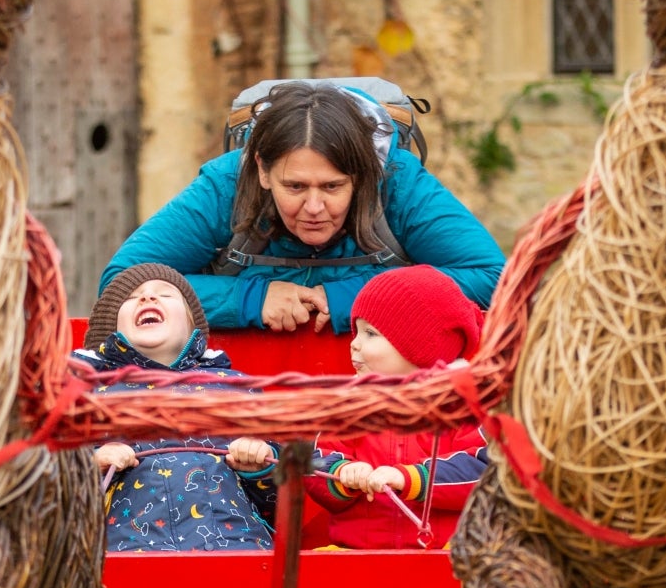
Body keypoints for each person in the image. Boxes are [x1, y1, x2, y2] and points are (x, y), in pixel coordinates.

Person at [95, 81, 505, 333]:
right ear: (262, 170)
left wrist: (359, 297)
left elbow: (491, 277)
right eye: (294, 186)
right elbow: (123, 285)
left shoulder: (398, 182)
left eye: (332, 186)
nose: (313, 206)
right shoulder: (225, 186)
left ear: (362, 175)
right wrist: (250, 299)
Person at [237, 265, 489, 550]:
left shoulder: (465, 405)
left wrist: (410, 478)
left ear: (421, 345)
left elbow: (483, 470)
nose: (354, 345)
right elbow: (314, 460)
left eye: (370, 334)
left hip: (443, 555)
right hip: (357, 552)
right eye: (356, 332)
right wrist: (343, 473)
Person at [76, 264, 278, 552]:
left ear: (191, 324)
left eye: (165, 294)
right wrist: (90, 463)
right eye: (133, 297)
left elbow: (279, 502)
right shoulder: (89, 395)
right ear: (112, 326)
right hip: (126, 554)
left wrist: (259, 467)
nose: (148, 298)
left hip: (233, 548)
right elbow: (51, 491)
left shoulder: (235, 388)